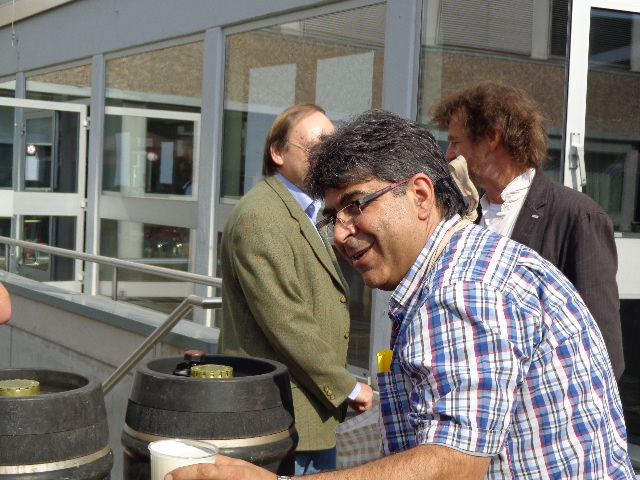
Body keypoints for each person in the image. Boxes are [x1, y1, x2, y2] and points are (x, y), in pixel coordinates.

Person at [168, 109, 634, 480]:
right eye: (333, 216)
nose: (341, 233)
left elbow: (452, 466)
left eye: (356, 204)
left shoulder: (462, 290)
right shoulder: (465, 264)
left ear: (421, 195)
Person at [217, 104, 374, 475]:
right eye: (316, 146)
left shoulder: (307, 211)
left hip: (307, 418)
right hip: (280, 420)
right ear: (278, 152)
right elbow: (286, 320)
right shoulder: (261, 217)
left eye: (332, 147)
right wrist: (349, 387)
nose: (327, 157)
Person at [430, 81, 624, 380]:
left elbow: (602, 348)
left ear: (491, 137)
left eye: (456, 142)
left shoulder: (577, 216)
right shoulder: (463, 214)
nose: (449, 155)